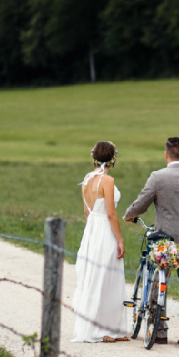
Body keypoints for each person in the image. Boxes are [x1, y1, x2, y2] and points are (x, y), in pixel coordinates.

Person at [123, 137, 179, 345]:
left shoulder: (158, 177)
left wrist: (129, 215)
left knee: (158, 281)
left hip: (164, 241)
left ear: (166, 155)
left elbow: (141, 203)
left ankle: (160, 332)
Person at [71, 141, 130, 343]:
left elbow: (87, 212)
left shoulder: (87, 179)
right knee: (107, 277)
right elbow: (112, 215)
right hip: (104, 229)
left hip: (92, 230)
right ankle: (103, 330)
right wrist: (119, 239)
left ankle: (110, 328)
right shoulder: (107, 181)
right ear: (113, 158)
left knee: (95, 276)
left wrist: (93, 234)